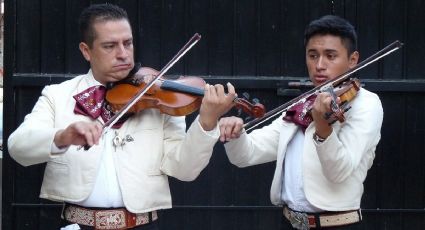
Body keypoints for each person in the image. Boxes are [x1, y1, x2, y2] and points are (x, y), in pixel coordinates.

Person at [8, 3, 236, 230]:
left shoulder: (162, 98)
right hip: (77, 225)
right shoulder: (58, 95)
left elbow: (185, 171)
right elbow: (18, 147)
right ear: (86, 51)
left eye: (128, 43)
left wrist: (207, 121)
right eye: (110, 46)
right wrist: (62, 137)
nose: (123, 54)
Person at [219, 15, 383, 229]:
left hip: (336, 225)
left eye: (330, 56)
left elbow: (340, 171)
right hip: (289, 222)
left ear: (352, 60)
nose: (319, 65)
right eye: (312, 55)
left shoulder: (366, 104)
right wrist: (235, 132)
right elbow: (247, 154)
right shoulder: (304, 104)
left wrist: (322, 127)